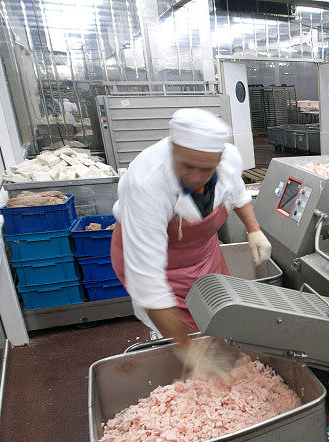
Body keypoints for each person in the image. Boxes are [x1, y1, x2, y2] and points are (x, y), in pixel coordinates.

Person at [111, 108, 271, 349]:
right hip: (161, 267)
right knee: (188, 335)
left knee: (220, 312)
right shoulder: (146, 183)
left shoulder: (226, 160)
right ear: (173, 149)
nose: (196, 177)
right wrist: (189, 352)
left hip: (204, 254)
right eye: (187, 166)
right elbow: (149, 283)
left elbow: (236, 191)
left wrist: (254, 229)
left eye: (206, 170)